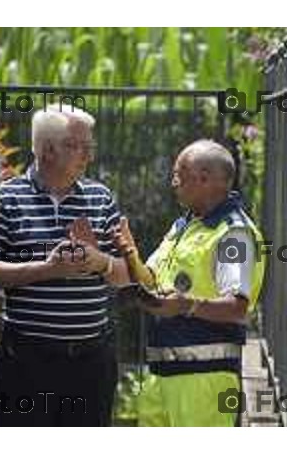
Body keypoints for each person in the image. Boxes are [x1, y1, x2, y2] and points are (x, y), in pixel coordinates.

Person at [0, 105, 129, 426]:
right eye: (79, 146)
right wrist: (49, 269)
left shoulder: (100, 197)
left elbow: (130, 274)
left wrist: (100, 262)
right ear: (48, 150)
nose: (88, 156)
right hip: (26, 361)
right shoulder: (6, 197)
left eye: (91, 147)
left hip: (92, 363)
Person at [113, 139, 265, 426]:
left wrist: (186, 305)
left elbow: (237, 306)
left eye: (178, 174)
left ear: (204, 178)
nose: (173, 182)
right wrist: (130, 254)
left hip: (205, 381)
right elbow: (153, 281)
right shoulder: (183, 226)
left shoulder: (234, 234)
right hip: (161, 374)